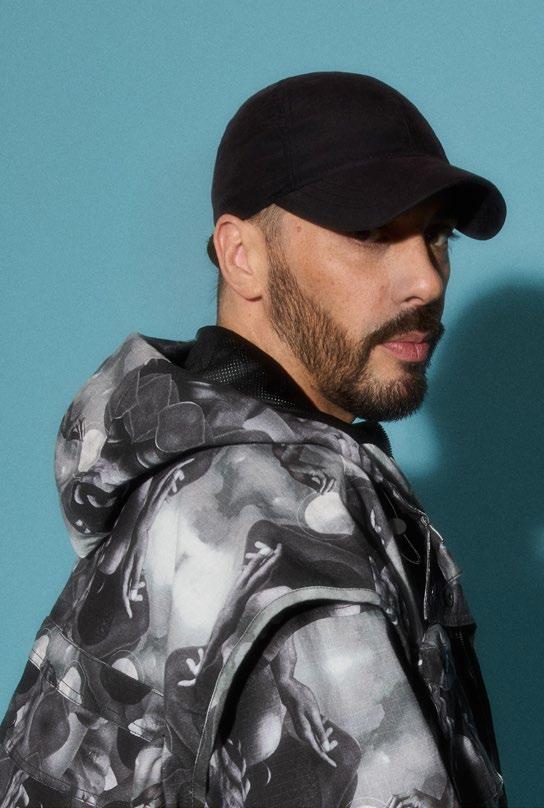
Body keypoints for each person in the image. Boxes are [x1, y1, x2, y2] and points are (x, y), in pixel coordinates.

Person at [0, 70, 508, 807]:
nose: (426, 280)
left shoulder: (185, 482)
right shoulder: (280, 525)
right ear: (243, 256)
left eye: (436, 236)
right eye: (370, 235)